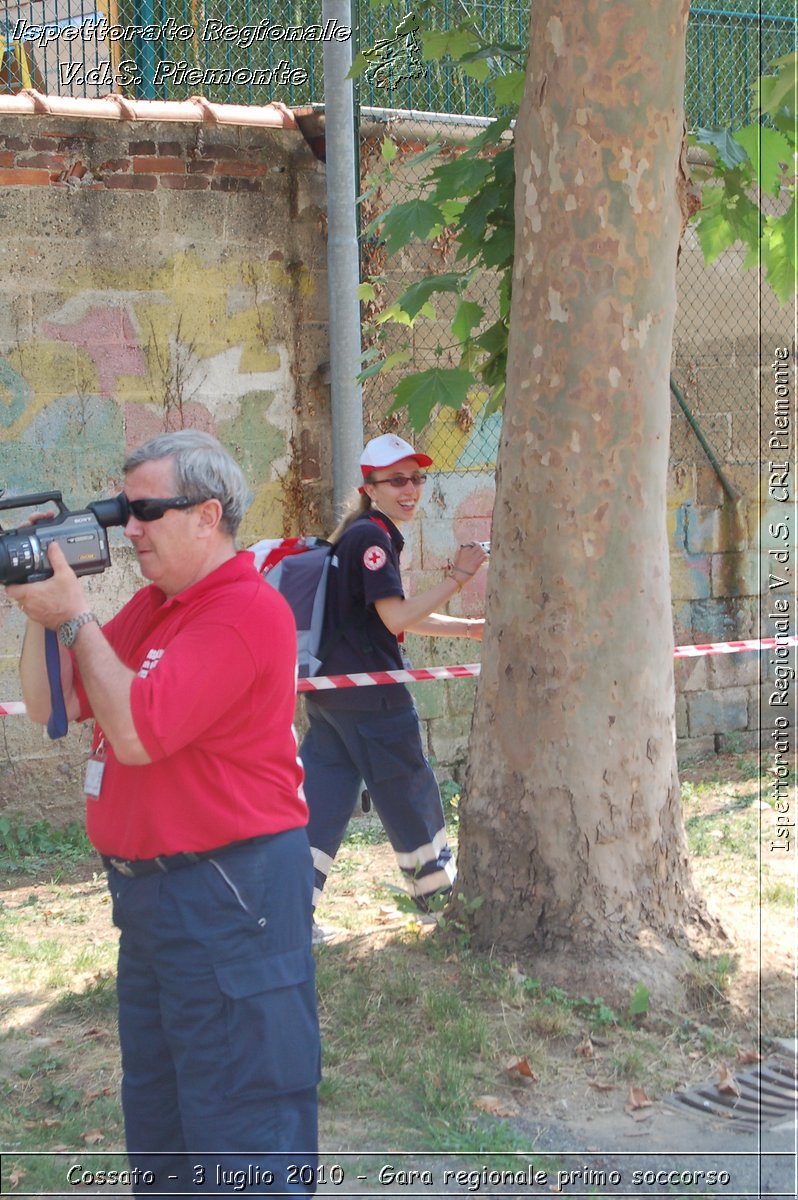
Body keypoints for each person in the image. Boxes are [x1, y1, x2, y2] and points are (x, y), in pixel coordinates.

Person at [9, 431, 320, 1197]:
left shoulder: (244, 609)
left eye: (144, 509)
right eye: (125, 511)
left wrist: (77, 618)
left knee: (242, 1124)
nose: (130, 527)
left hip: (227, 894)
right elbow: (52, 703)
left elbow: (137, 733)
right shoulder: (155, 609)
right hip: (153, 902)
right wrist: (37, 607)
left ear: (208, 514)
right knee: (164, 1121)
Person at [300, 433, 487, 938]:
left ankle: (289, 917)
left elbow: (393, 619)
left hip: (330, 693)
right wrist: (459, 577)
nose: (411, 489)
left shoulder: (360, 533)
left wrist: (468, 628)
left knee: (321, 800)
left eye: (417, 478)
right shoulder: (372, 540)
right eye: (397, 480)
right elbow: (398, 614)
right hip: (371, 699)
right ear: (371, 487)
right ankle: (443, 906)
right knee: (410, 792)